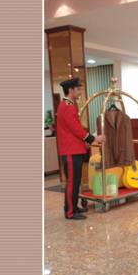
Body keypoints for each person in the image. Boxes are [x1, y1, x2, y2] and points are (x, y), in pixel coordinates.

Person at [56, 78, 105, 220]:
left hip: (74, 149)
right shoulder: (67, 106)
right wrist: (93, 138)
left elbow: (73, 131)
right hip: (70, 151)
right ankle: (70, 212)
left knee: (76, 181)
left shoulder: (69, 105)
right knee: (72, 182)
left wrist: (85, 143)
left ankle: (74, 207)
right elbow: (76, 129)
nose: (80, 92)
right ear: (70, 90)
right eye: (78, 89)